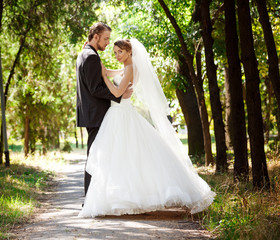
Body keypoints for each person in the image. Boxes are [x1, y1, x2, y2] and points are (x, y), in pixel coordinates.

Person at [78, 39, 215, 217]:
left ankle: (130, 197)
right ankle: (121, 196)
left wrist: (104, 77)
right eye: (115, 53)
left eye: (120, 52)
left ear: (129, 51)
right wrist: (98, 64)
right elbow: (113, 72)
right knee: (122, 157)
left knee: (123, 156)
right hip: (118, 114)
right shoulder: (128, 67)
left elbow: (117, 93)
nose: (117, 56)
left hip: (121, 114)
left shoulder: (130, 68)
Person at [76, 23, 133, 196]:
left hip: (90, 114)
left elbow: (101, 78)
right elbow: (95, 88)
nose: (108, 43)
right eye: (106, 38)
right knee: (94, 157)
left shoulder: (84, 53)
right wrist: (119, 96)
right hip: (96, 115)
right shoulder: (91, 57)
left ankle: (96, 197)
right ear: (96, 37)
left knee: (96, 156)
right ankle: (90, 199)